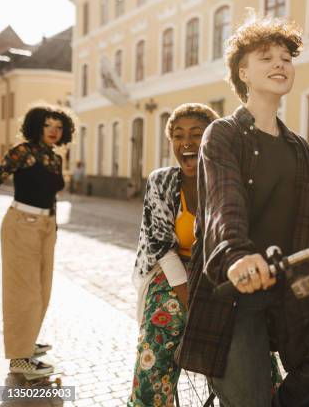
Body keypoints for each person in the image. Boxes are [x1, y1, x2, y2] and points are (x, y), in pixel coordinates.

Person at [177, 14, 309, 407]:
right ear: (243, 72)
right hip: (234, 291)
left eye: (286, 57)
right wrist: (236, 255)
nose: (280, 64)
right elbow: (222, 203)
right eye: (266, 57)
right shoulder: (223, 135)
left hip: (292, 289)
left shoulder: (298, 149)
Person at [128, 103, 219, 407]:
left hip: (218, 270)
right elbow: (161, 245)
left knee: (250, 336)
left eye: (197, 134)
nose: (187, 142)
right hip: (172, 269)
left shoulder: (228, 180)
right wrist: (187, 296)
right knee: (164, 322)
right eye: (178, 136)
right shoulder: (161, 181)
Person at [0, 104, 74, 374]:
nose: (54, 131)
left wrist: (53, 226)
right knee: (24, 293)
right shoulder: (23, 152)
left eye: (59, 127)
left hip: (46, 226)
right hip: (22, 224)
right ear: (36, 126)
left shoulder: (55, 159)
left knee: (43, 290)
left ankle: (27, 342)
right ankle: (19, 359)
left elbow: (51, 195)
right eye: (48, 125)